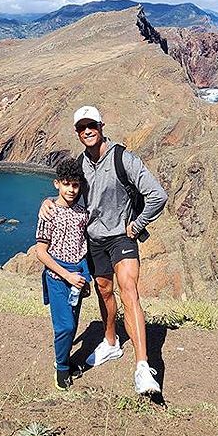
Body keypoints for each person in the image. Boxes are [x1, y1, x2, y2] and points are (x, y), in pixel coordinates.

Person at [40, 105, 168, 395]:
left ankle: (143, 368)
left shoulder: (123, 158)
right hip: (94, 241)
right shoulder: (81, 165)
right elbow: (69, 194)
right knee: (104, 290)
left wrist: (136, 226)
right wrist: (48, 200)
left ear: (101, 125)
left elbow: (157, 195)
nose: (87, 131)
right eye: (82, 127)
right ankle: (110, 342)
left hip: (121, 238)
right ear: (77, 132)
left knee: (129, 290)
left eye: (92, 125)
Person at [35, 158, 91, 391]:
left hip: (78, 276)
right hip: (58, 278)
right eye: (66, 184)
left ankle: (66, 360)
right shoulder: (49, 213)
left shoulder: (82, 213)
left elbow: (84, 244)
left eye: (75, 185)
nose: (71, 189)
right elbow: (41, 252)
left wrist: (83, 276)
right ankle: (61, 367)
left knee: (74, 324)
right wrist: (67, 276)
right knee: (65, 326)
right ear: (56, 184)